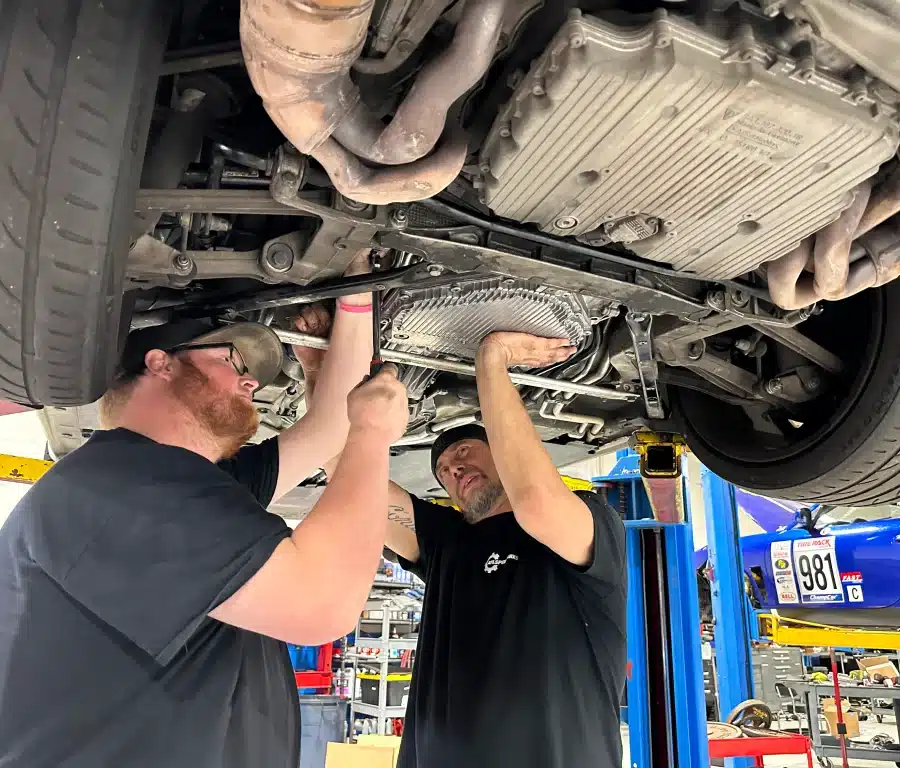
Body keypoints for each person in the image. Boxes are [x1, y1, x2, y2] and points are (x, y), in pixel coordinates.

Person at [0, 259, 409, 768]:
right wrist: (372, 435)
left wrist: (355, 289)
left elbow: (330, 428)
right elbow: (321, 603)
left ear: (161, 361)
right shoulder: (113, 488)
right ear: (159, 365)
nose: (251, 383)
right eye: (236, 364)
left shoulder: (137, 483)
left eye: (238, 365)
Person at [299, 316, 628, 768]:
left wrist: (492, 362)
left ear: (505, 451)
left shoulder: (589, 522)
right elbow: (347, 471)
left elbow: (533, 498)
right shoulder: (446, 544)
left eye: (466, 452)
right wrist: (319, 373)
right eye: (443, 471)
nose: (452, 469)